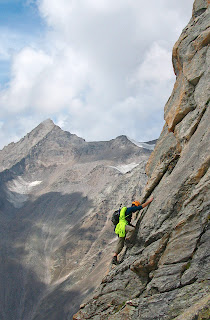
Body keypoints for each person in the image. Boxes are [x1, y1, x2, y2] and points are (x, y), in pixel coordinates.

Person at [112, 196, 154, 265]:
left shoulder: (125, 211)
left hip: (119, 228)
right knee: (132, 229)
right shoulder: (130, 209)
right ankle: (127, 240)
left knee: (120, 244)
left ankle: (114, 257)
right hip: (122, 226)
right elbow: (140, 207)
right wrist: (149, 201)